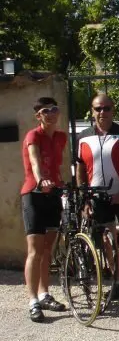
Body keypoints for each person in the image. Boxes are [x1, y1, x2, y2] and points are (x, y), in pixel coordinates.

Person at [76, 93, 119, 298]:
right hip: (97, 196)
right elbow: (80, 170)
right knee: (107, 239)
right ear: (92, 111)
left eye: (107, 108)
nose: (102, 112)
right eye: (98, 109)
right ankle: (118, 280)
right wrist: (84, 198)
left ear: (113, 110)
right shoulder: (83, 136)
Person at [20, 96, 68, 322]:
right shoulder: (33, 136)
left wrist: (60, 184)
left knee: (48, 248)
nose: (51, 114)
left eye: (54, 110)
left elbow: (59, 164)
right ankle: (32, 301)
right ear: (39, 116)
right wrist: (41, 180)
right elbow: (35, 161)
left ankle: (44, 293)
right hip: (34, 193)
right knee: (35, 249)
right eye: (46, 111)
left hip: (54, 194)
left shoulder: (60, 137)